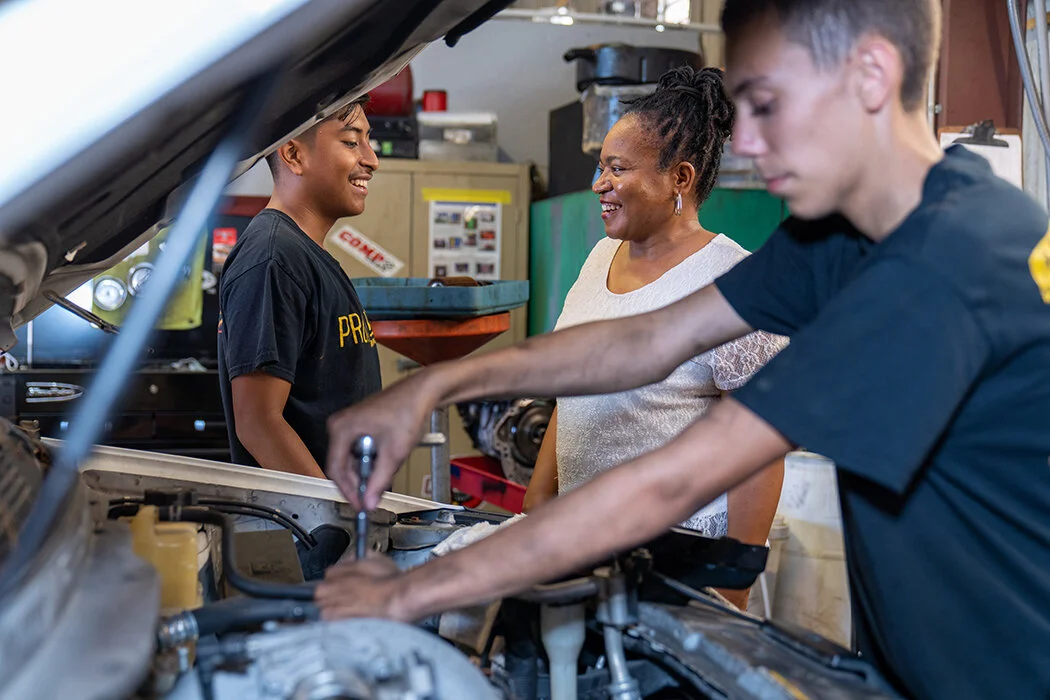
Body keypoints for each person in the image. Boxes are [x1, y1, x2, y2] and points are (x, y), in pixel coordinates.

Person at [317, 1, 1050, 697]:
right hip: (907, 659)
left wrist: (416, 589)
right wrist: (428, 390)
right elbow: (643, 338)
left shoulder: (946, 262)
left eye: (769, 102)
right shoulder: (842, 237)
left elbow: (673, 480)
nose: (752, 142)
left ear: (870, 76)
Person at [522, 67, 787, 608]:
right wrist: (536, 505)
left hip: (678, 564)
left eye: (617, 169)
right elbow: (572, 399)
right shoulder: (599, 259)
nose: (599, 184)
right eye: (601, 168)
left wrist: (733, 584)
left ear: (680, 179)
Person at [217, 96, 382, 478]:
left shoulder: (302, 254)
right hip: (308, 532)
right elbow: (258, 423)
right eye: (351, 141)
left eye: (368, 141)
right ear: (293, 154)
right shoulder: (273, 258)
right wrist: (333, 522)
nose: (372, 159)